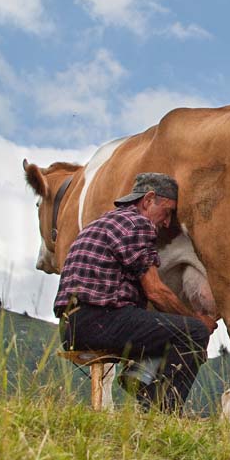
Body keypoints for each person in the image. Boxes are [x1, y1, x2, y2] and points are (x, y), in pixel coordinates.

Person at [54, 172, 218, 413]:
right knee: (192, 334)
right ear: (148, 199)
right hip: (99, 320)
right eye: (168, 212)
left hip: (70, 327)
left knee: (161, 328)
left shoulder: (103, 222)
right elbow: (156, 291)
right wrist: (196, 320)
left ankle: (146, 390)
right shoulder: (138, 223)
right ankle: (163, 410)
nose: (166, 222)